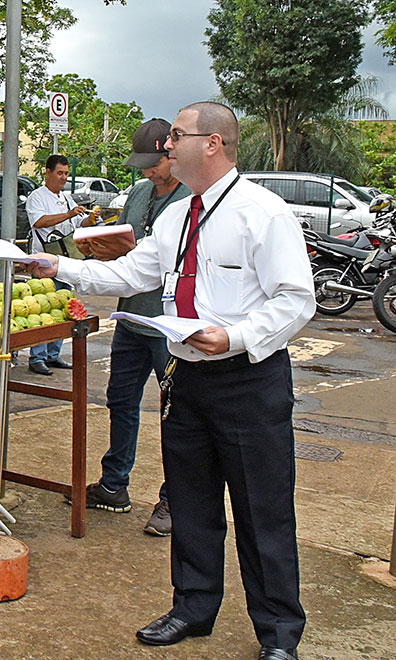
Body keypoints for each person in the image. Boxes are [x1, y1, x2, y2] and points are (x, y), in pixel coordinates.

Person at [28, 102, 313, 660]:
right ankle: (193, 606)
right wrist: (61, 268)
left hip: (248, 381)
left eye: (176, 136)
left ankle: (278, 635)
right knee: (191, 499)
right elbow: (133, 273)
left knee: (263, 510)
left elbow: (296, 300)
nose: (166, 147)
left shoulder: (264, 213)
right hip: (188, 379)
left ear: (212, 144)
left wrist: (232, 337)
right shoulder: (176, 217)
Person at [68, 119, 190, 536]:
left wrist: (135, 252)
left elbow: (181, 262)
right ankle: (114, 485)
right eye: (142, 166)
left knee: (177, 414)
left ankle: (176, 499)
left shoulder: (193, 198)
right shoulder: (139, 193)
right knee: (121, 402)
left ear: (171, 154)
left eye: (153, 164)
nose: (147, 173)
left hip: (170, 327)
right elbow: (125, 250)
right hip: (132, 318)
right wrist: (99, 246)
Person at [25, 154, 88, 376]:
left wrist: (89, 218)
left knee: (63, 306)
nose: (63, 178)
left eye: (66, 174)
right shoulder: (37, 197)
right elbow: (38, 222)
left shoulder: (66, 198)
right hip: (43, 260)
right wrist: (69, 214)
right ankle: (38, 356)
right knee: (41, 308)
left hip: (64, 259)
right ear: (48, 172)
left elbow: (78, 222)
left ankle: (53, 353)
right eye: (59, 173)